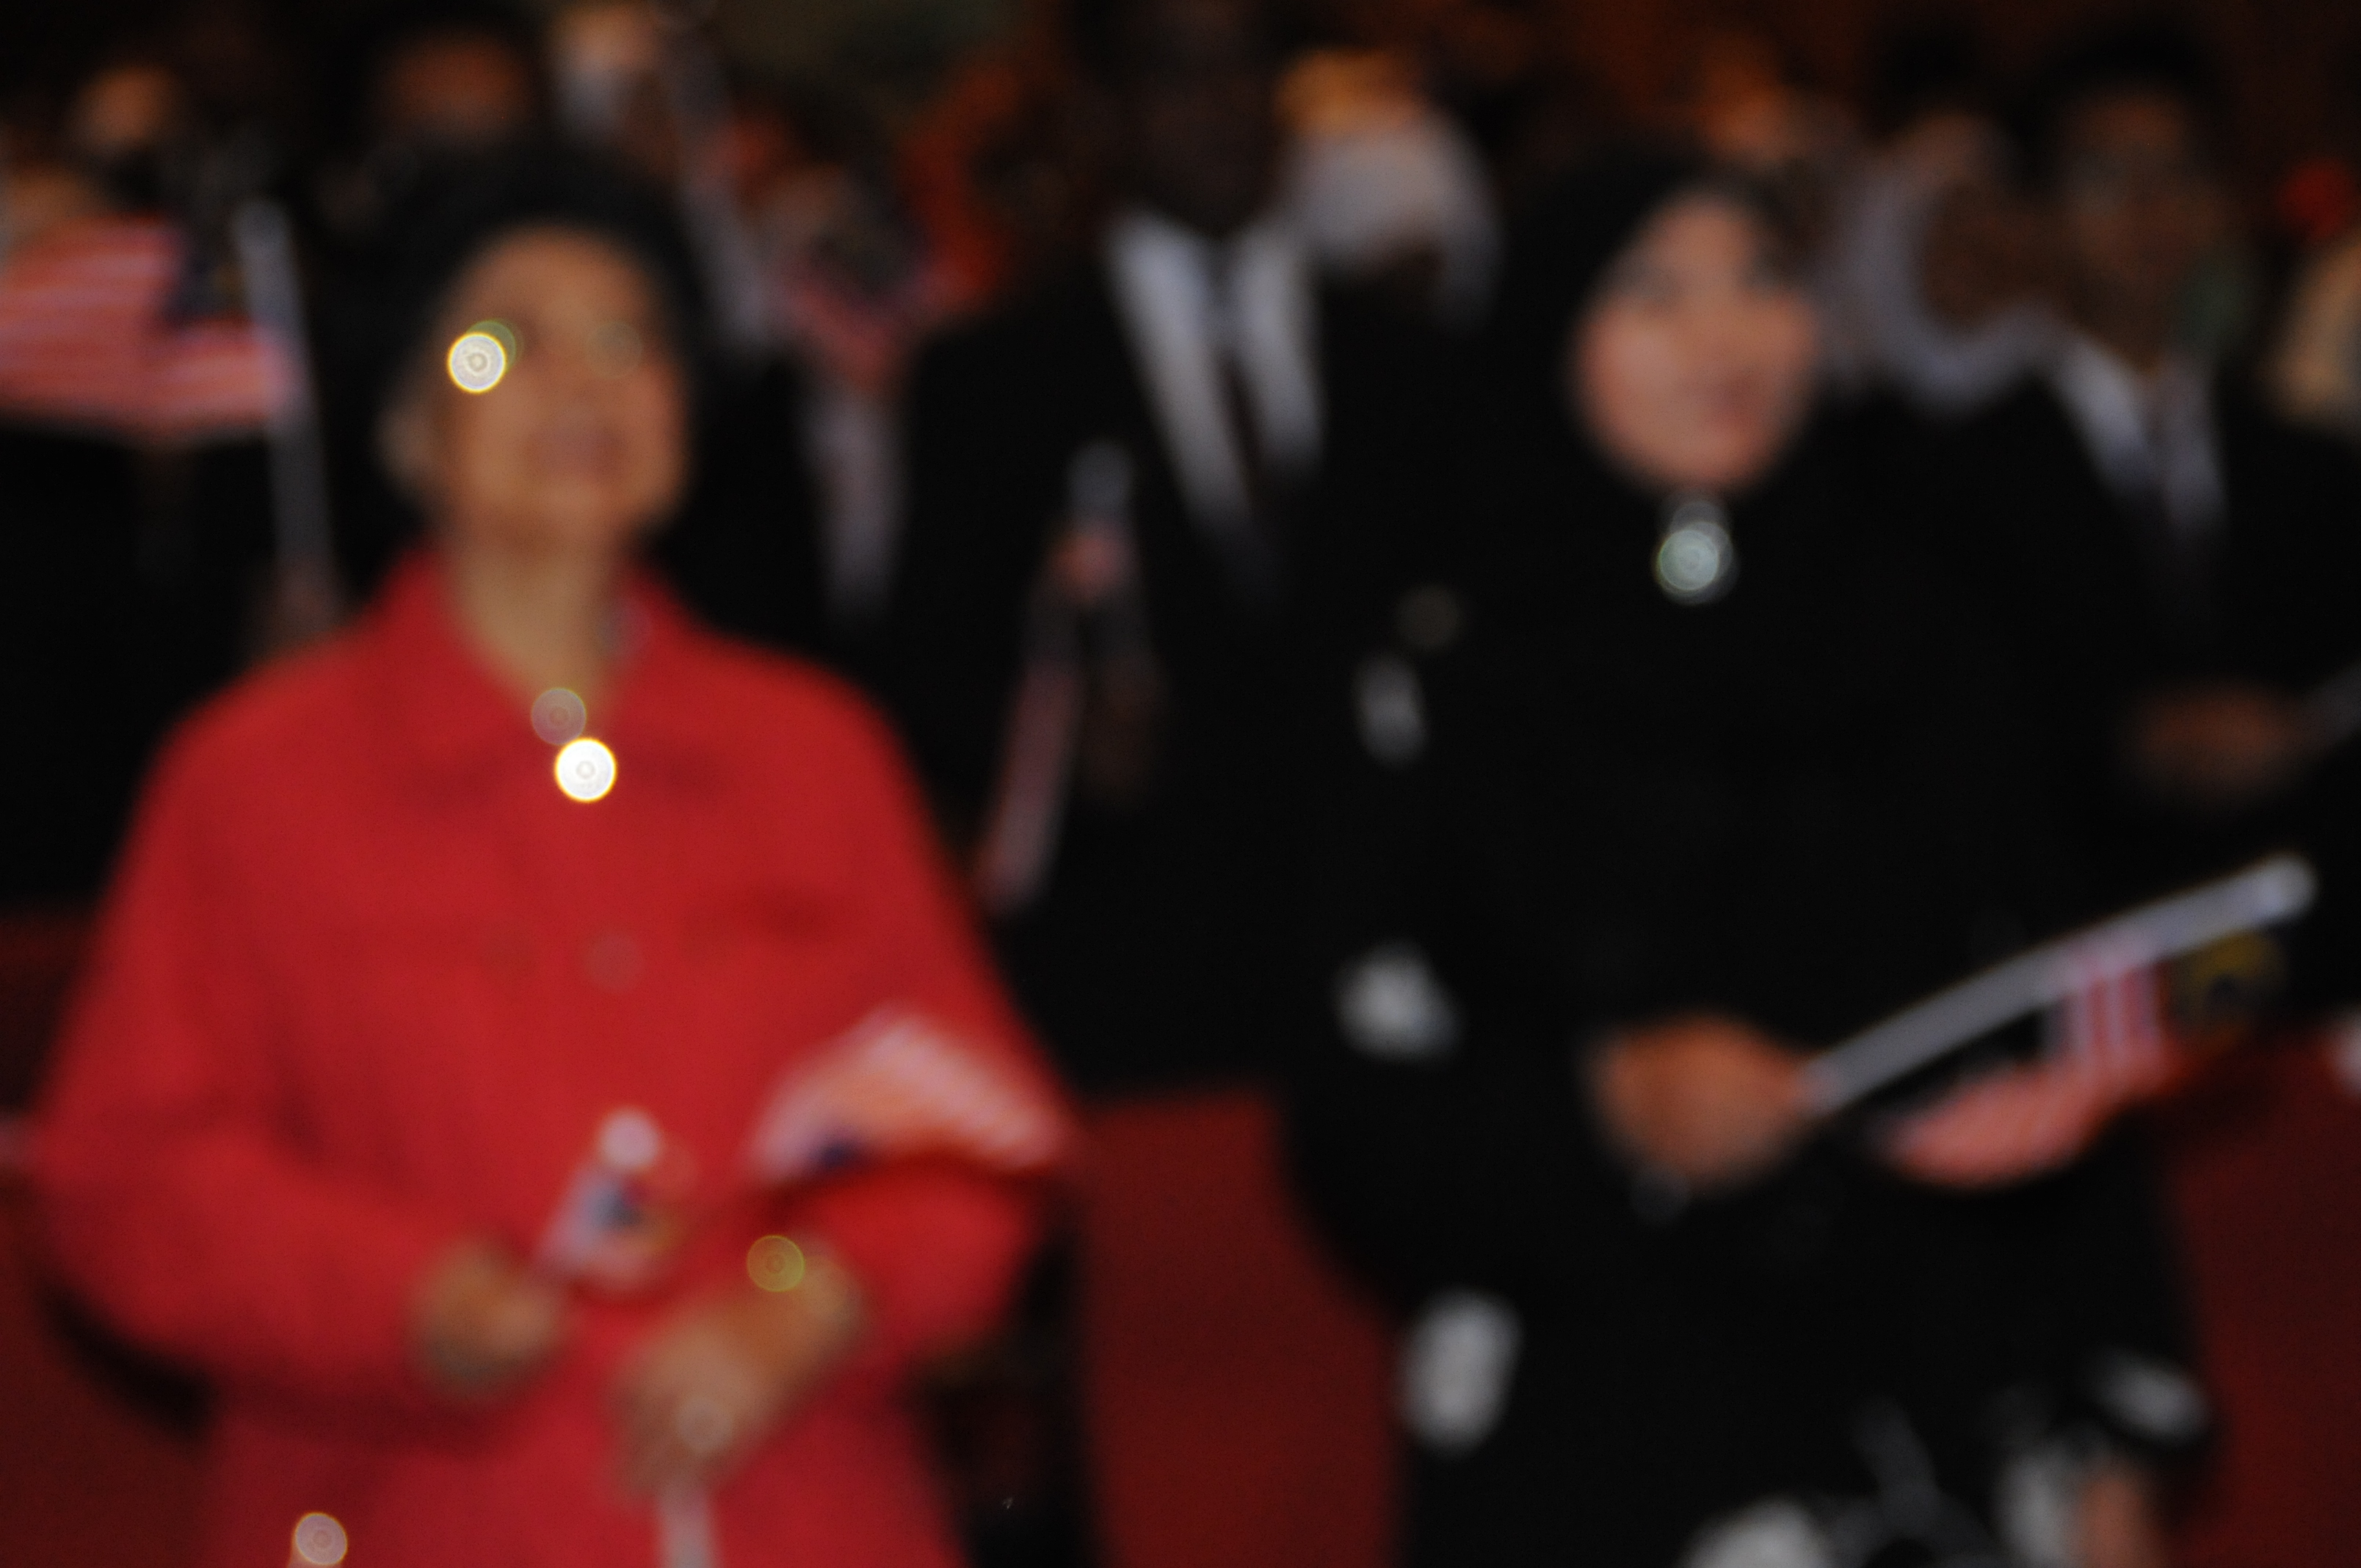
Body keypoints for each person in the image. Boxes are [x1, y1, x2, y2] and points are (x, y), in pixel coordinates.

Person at [32, 151, 1070, 1568]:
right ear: (409, 432)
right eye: (501, 347)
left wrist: (815, 1297)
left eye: (629, 342)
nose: (581, 384)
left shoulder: (813, 755)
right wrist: (402, 1297)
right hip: (420, 1514)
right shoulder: (256, 783)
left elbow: (968, 1131)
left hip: (797, 1503)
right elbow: (123, 1175)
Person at [1286, 150, 2205, 1568]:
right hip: (1610, 1437)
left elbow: (2057, 1028)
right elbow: (1361, 1113)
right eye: (1654, 295)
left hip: (1947, 1413)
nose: (1723, 336)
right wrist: (1610, 1104)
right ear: (1552, 337)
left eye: (1763, 282)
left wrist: (2119, 1431)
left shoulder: (1929, 631)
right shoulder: (1454, 682)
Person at [882, 0, 1448, 1564]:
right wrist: (1052, 729)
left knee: (1372, 1475)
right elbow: (922, 682)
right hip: (1128, 1024)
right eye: (1174, 73)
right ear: (1107, 112)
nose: (1216, 107)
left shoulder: (1409, 362)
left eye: (1245, 69)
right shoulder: (996, 377)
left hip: (1379, 1012)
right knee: (1167, 1476)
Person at [1935, 24, 2361, 993]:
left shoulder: (2308, 463)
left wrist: (2305, 735)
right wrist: (2128, 743)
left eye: (2181, 173)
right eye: (2106, 177)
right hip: (2081, 962)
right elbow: (1955, 734)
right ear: (2036, 216)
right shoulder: (1956, 478)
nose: (2150, 208)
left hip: (2309, 956)